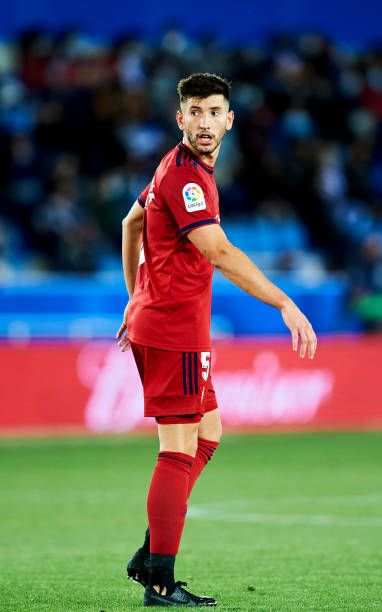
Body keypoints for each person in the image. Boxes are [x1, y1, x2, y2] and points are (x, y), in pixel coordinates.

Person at [116, 73, 317, 607]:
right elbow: (218, 251)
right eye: (196, 112)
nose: (205, 122)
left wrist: (134, 295)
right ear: (179, 118)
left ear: (230, 120)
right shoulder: (187, 179)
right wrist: (283, 301)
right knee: (177, 450)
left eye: (215, 112)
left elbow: (131, 221)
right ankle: (159, 580)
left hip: (168, 325)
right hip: (174, 332)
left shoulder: (174, 167)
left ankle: (151, 552)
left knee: (208, 433)